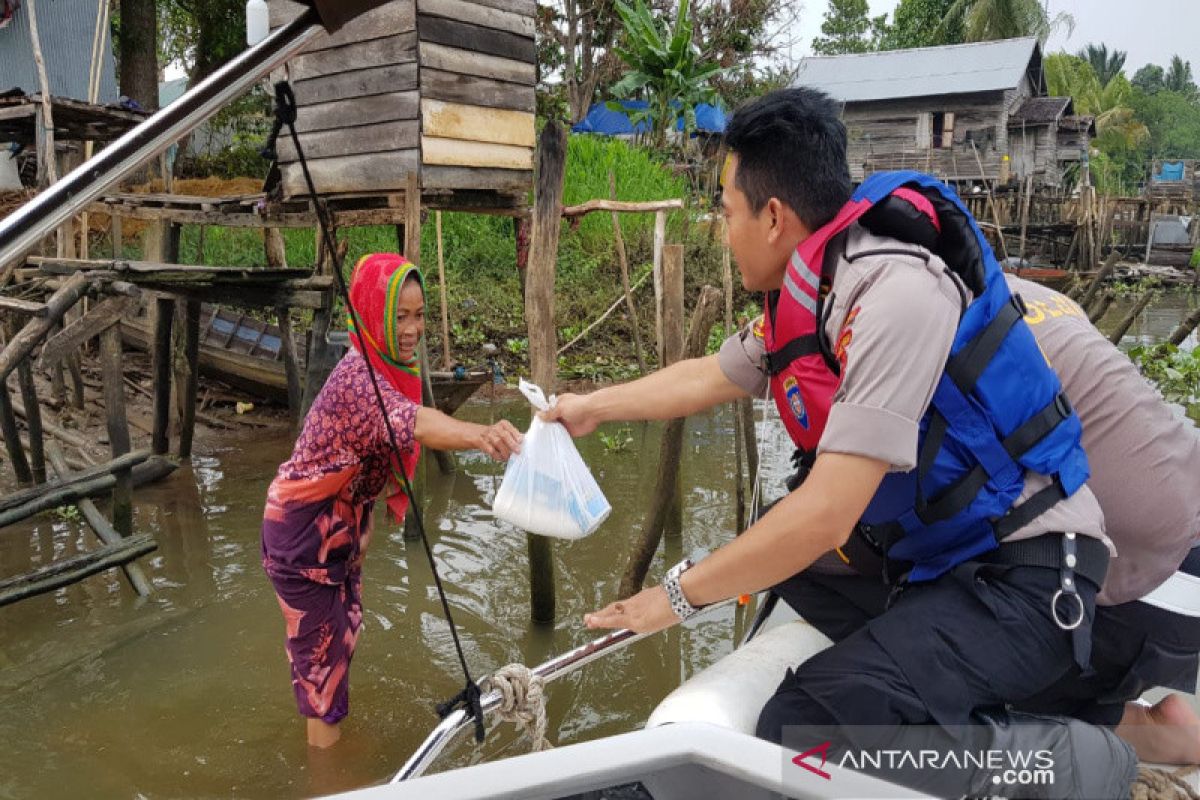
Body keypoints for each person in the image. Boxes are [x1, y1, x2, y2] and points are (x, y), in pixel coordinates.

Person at [544, 88, 1136, 794]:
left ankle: (1081, 760)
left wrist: (670, 600)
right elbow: (708, 375)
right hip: (943, 561)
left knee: (807, 721)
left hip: (1029, 579)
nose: (718, 228)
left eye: (724, 211)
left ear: (772, 217)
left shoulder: (896, 293)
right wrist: (589, 408)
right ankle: (933, 674)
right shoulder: (817, 289)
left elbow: (828, 513)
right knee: (774, 552)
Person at [261, 253, 522, 748]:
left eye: (420, 315)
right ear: (371, 315)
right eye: (399, 316)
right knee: (322, 676)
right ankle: (328, 777)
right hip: (302, 541)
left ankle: (330, 740)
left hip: (338, 532)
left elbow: (381, 451)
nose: (412, 329)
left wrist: (362, 531)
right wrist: (481, 435)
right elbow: (417, 422)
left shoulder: (389, 369)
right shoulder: (360, 380)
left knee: (338, 648)